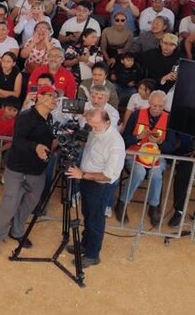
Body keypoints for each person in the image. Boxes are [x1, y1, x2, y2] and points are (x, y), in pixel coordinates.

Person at [0, 84, 58, 255]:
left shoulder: (49, 118)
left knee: (28, 204)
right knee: (9, 206)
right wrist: (36, 147)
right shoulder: (26, 117)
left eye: (55, 96)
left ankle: (17, 231)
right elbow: (18, 141)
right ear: (39, 97)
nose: (54, 99)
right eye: (50, 95)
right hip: (18, 170)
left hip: (37, 171)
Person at [66, 107, 125, 267]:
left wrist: (82, 175)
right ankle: (85, 244)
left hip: (100, 185)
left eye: (95, 125)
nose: (92, 128)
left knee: (96, 219)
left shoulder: (115, 144)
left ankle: (92, 254)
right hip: (86, 179)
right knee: (88, 214)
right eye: (91, 124)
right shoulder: (96, 130)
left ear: (107, 122)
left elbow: (108, 175)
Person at [115, 90, 174, 228]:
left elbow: (171, 147)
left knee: (156, 174)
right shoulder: (137, 114)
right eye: (154, 106)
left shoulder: (169, 119)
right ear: (149, 103)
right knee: (139, 172)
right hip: (135, 153)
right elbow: (124, 139)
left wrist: (160, 142)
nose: (157, 109)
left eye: (161, 106)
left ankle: (154, 207)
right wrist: (138, 137)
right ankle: (122, 203)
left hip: (156, 156)